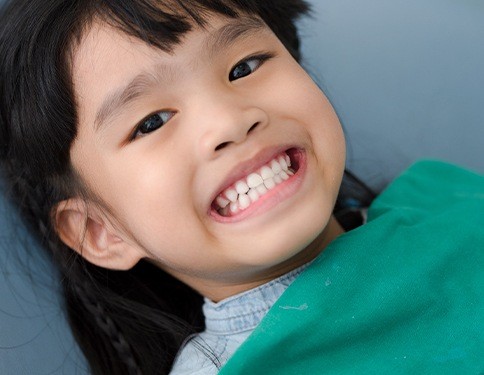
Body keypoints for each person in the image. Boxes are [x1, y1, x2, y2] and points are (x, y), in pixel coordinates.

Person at [0, 1, 481, 375]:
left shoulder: (447, 202)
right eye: (151, 122)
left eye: (244, 67)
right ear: (100, 232)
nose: (230, 120)